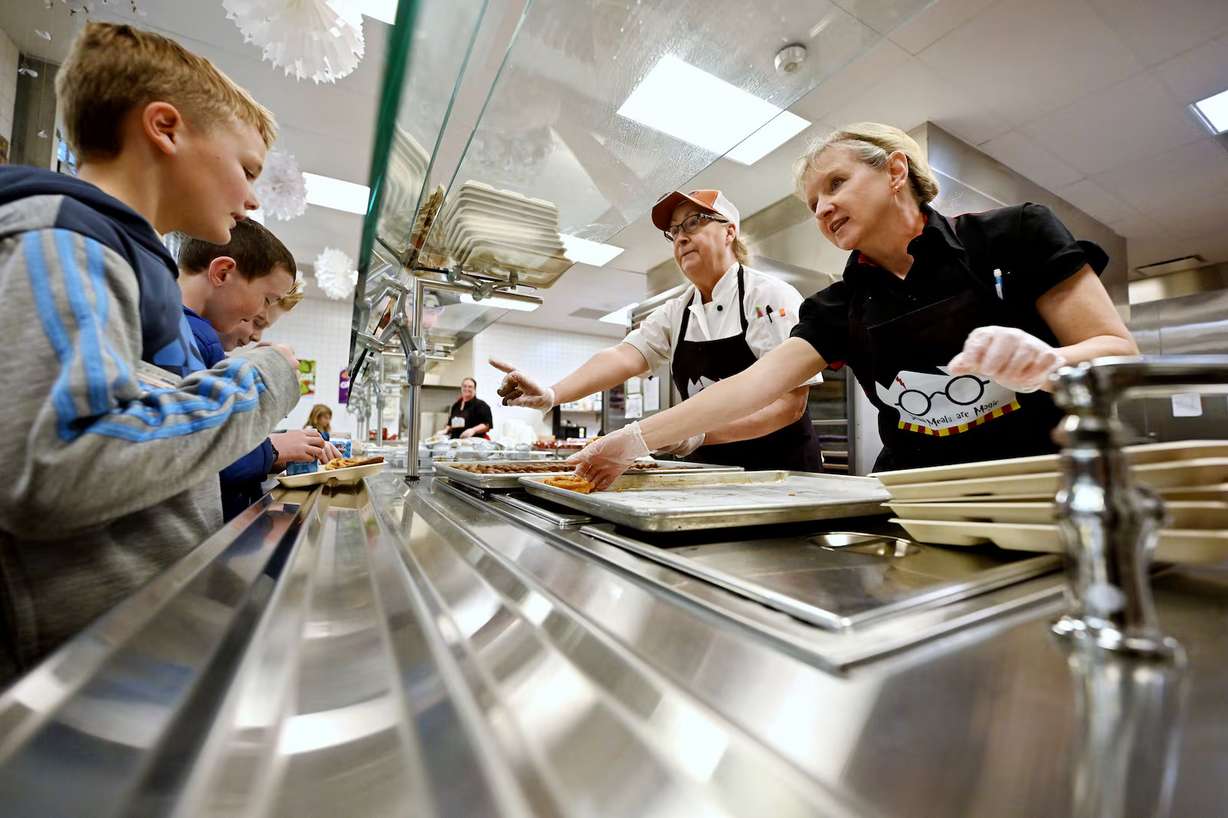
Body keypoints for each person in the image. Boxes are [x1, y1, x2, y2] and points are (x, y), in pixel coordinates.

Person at [569, 123, 1138, 489]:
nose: (823, 208)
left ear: (895, 171)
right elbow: (753, 385)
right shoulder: (839, 305)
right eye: (814, 201)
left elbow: (1118, 351)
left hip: (1039, 486)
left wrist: (1051, 363)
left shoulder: (1014, 234)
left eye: (836, 184)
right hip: (917, 502)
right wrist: (636, 438)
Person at [0, 22, 302, 685]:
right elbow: (65, 459)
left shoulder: (128, 262)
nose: (253, 199)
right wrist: (264, 375)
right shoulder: (63, 240)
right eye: (247, 169)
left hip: (125, 646)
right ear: (165, 128)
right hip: (68, 674)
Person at [494, 189, 823, 471]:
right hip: (711, 474)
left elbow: (789, 405)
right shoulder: (678, 310)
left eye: (694, 222)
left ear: (729, 232)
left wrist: (697, 434)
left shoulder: (768, 296)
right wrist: (552, 394)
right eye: (674, 230)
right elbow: (624, 356)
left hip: (780, 473)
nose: (680, 236)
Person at [178, 229, 339, 520]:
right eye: (264, 302)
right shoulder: (198, 340)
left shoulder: (191, 337)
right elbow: (201, 452)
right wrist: (272, 451)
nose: (255, 334)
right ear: (223, 273)